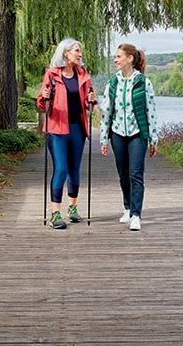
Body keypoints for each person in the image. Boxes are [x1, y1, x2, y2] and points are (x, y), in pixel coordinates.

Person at [37, 38, 98, 229]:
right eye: (77, 51)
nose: (80, 54)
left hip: (77, 129)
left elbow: (90, 103)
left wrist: (92, 100)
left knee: (74, 169)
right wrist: (44, 98)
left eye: (80, 51)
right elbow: (41, 103)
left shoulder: (83, 76)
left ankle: (72, 208)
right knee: (61, 169)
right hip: (57, 130)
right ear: (66, 53)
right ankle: (55, 213)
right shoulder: (52, 75)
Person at [99, 43, 159, 231]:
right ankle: (127, 207)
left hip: (137, 134)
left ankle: (136, 215)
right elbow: (106, 111)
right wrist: (103, 138)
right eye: (115, 57)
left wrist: (153, 138)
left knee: (135, 174)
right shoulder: (113, 82)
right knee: (123, 174)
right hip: (117, 133)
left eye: (118, 56)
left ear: (129, 59)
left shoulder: (143, 82)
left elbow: (151, 111)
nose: (115, 60)